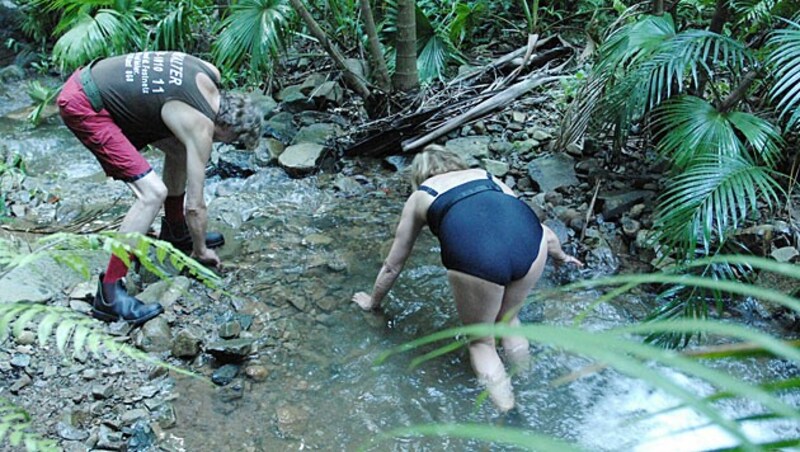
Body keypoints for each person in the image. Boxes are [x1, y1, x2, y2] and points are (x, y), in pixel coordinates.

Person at [353, 144, 583, 412]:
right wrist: (560, 257)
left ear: (419, 174)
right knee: (508, 320)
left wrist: (373, 302)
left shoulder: (421, 195)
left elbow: (393, 264)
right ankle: (530, 383)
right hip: (533, 244)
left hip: (479, 258)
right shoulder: (487, 177)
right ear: (456, 162)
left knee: (481, 342)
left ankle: (510, 416)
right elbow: (531, 224)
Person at [57, 51, 262, 326]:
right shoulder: (201, 125)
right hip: (86, 104)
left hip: (93, 82)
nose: (223, 143)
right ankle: (109, 292)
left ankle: (174, 232)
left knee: (179, 147)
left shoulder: (209, 73)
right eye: (230, 140)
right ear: (225, 127)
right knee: (152, 193)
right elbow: (196, 205)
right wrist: (200, 250)